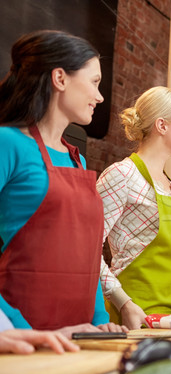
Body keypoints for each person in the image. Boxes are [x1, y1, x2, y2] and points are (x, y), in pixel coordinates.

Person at [0, 30, 126, 337]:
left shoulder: (77, 160)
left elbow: (86, 256)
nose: (100, 96)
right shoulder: (7, 143)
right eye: (94, 82)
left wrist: (98, 321)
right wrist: (16, 329)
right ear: (60, 78)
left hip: (80, 337)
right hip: (23, 339)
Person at [97, 86, 171, 329]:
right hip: (136, 318)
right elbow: (86, 249)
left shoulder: (170, 185)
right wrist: (125, 304)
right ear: (162, 126)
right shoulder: (122, 175)